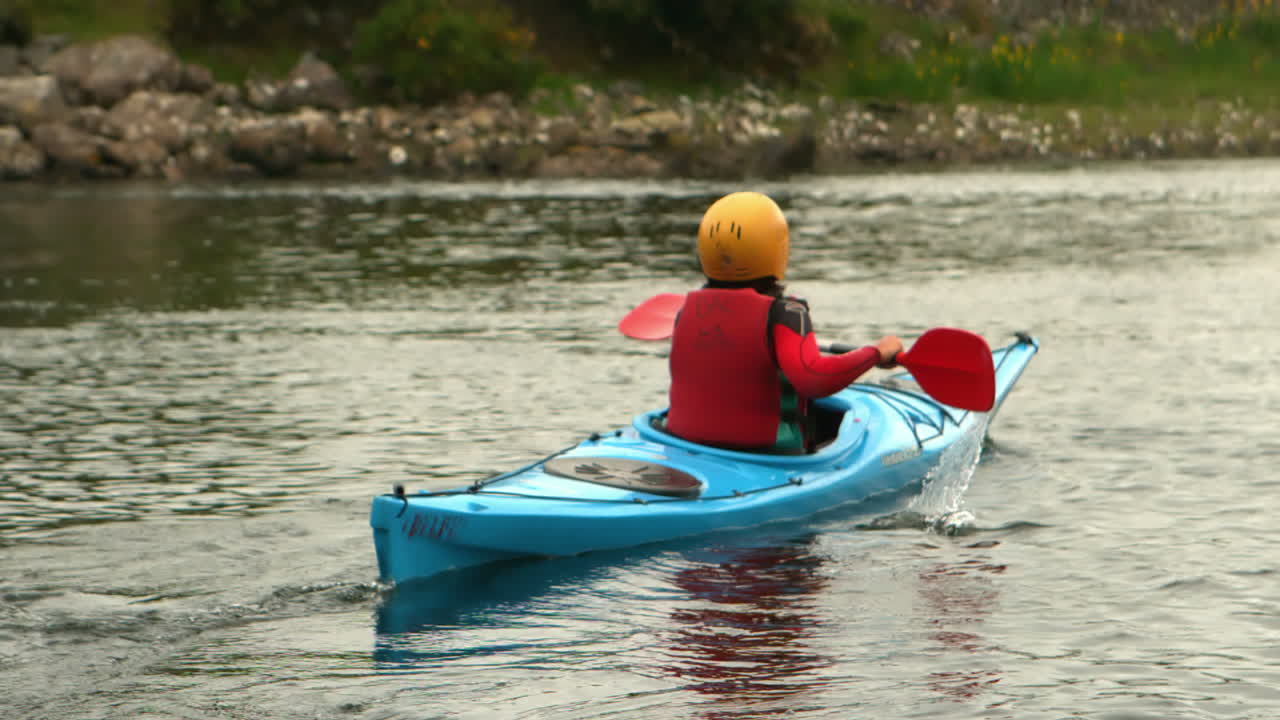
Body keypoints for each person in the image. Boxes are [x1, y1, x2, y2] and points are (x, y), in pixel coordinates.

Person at [665, 191, 903, 453]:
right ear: (775, 248)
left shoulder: (686, 310)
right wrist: (876, 353)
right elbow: (814, 378)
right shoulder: (785, 313)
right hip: (765, 456)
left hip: (683, 444)